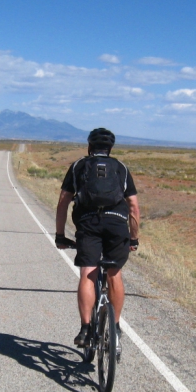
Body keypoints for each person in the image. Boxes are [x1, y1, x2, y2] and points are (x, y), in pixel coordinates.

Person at [54, 128, 140, 349]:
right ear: (110, 149)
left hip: (88, 224)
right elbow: (134, 207)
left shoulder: (78, 166)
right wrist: (133, 238)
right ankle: (116, 326)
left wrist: (60, 235)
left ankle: (85, 329)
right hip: (116, 225)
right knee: (114, 273)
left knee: (88, 272)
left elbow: (63, 201)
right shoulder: (121, 168)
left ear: (89, 147)